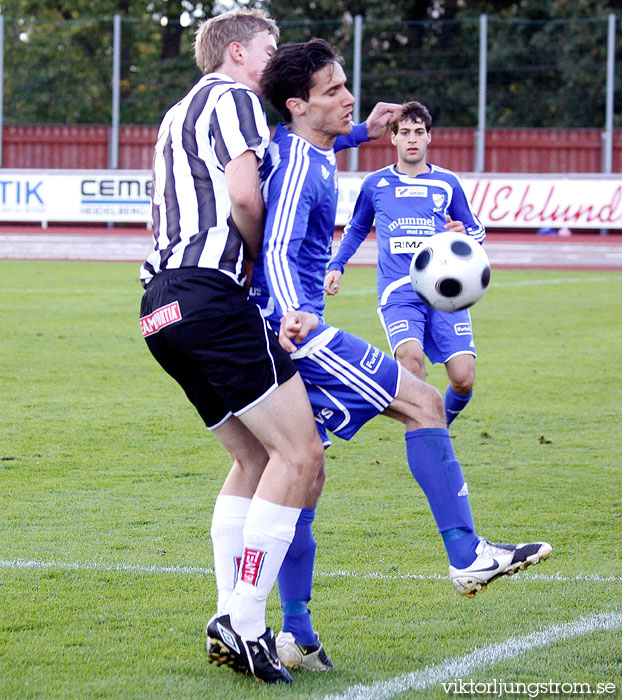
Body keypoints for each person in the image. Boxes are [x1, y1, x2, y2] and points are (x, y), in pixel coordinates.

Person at [250, 39, 552, 672]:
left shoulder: (303, 147)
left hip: (276, 331)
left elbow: (319, 140)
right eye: (336, 90)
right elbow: (277, 247)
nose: (350, 97)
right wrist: (291, 315)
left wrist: (361, 128)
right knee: (423, 400)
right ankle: (467, 554)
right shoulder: (304, 164)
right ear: (299, 104)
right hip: (292, 331)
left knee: (305, 474)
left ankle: (296, 633)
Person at [138, 10, 327, 684]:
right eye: (271, 51)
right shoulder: (239, 98)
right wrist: (258, 263)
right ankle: (247, 620)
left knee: (251, 457)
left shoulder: (174, 114)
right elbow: (246, 197)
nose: (275, 65)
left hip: (159, 306)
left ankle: (228, 613)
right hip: (210, 293)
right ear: (238, 51)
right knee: (300, 454)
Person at [325, 100, 485, 428]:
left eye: (419, 132)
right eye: (405, 132)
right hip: (398, 291)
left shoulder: (447, 183)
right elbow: (356, 229)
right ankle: (430, 435)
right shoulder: (376, 185)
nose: (412, 138)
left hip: (445, 293)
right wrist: (337, 264)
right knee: (411, 365)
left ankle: (441, 424)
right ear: (394, 138)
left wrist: (465, 232)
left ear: (429, 137)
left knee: (463, 380)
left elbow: (476, 230)